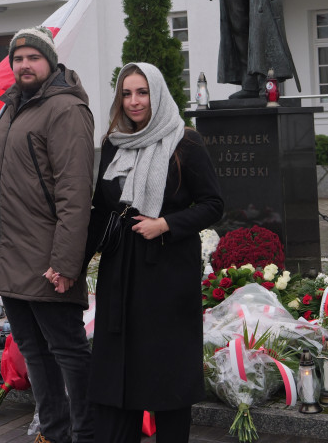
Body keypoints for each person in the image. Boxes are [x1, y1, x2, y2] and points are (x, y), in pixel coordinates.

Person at [0, 26, 94, 443]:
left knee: (67, 352)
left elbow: (74, 191)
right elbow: (8, 173)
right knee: (35, 353)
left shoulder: (65, 110)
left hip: (48, 260)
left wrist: (65, 262)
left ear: (49, 61)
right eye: (17, 58)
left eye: (33, 57)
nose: (24, 64)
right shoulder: (13, 108)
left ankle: (87, 432)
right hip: (13, 257)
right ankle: (54, 431)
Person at [85, 62, 224, 443]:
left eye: (142, 92)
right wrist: (72, 267)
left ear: (157, 94)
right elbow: (100, 210)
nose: (134, 101)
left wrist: (166, 224)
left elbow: (213, 204)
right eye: (126, 93)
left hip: (167, 274)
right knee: (120, 370)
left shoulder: (186, 141)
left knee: (168, 374)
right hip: (121, 271)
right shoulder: (113, 144)